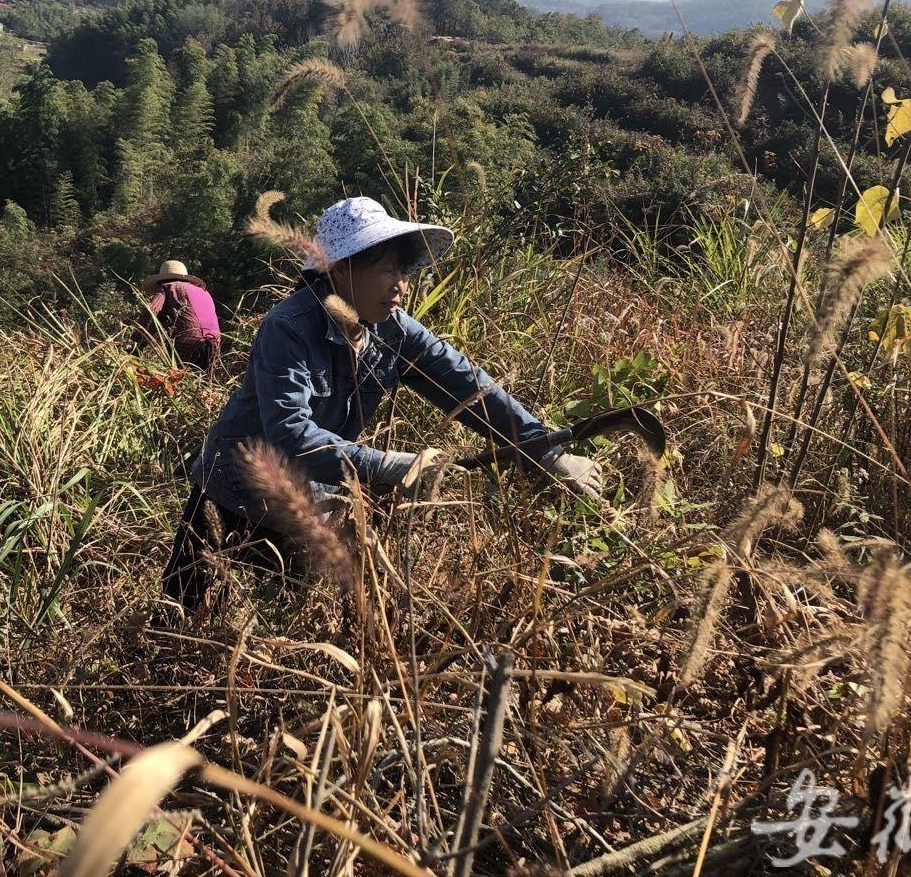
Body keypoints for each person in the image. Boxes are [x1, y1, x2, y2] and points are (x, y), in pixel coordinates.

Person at [161, 196, 602, 610]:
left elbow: (469, 388)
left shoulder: (394, 332)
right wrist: (392, 466)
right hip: (229, 491)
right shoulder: (289, 326)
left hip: (305, 499)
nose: (400, 285)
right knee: (183, 613)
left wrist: (545, 451)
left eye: (402, 271)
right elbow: (289, 434)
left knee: (276, 624)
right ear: (339, 270)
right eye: (386, 269)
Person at [137, 260, 222, 374]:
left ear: (161, 280)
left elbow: (152, 313)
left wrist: (136, 344)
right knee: (203, 381)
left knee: (179, 379)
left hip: (187, 343)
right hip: (214, 342)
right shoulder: (203, 292)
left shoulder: (168, 287)